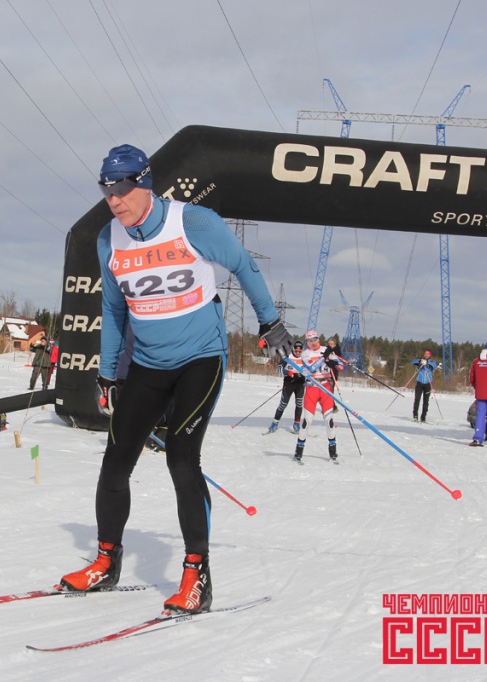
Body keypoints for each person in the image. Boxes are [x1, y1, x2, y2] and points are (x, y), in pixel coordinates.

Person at [58, 144, 290, 615]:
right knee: (115, 462)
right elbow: (113, 309)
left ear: (144, 183)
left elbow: (243, 264)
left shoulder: (193, 222)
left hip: (200, 360)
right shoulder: (109, 239)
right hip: (148, 365)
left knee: (182, 459)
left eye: (122, 189)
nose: (114, 200)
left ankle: (197, 575)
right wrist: (107, 374)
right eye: (106, 190)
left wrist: (270, 321)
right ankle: (106, 562)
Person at [293, 330, 339, 463]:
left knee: (329, 420)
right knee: (307, 421)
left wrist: (334, 363)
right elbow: (311, 368)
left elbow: (340, 365)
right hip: (312, 388)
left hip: (325, 388)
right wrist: (324, 358)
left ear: (318, 339)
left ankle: (333, 452)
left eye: (314, 339)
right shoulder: (305, 353)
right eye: (309, 341)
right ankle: (298, 452)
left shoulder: (326, 350)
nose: (312, 343)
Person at [268, 341, 305, 434]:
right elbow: (279, 368)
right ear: (293, 349)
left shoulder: (305, 358)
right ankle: (275, 423)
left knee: (299, 404)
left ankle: (296, 424)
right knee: (283, 404)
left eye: (300, 351)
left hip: (300, 384)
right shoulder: (288, 357)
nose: (298, 352)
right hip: (289, 383)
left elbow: (309, 370)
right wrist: (289, 373)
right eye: (296, 350)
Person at [410, 350, 438, 423]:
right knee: (417, 400)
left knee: (426, 401)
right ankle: (415, 416)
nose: (426, 355)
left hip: (428, 384)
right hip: (419, 383)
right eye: (425, 354)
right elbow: (412, 362)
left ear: (430, 355)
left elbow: (434, 365)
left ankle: (423, 417)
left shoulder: (432, 362)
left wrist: (427, 363)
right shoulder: (420, 361)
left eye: (428, 354)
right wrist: (420, 361)